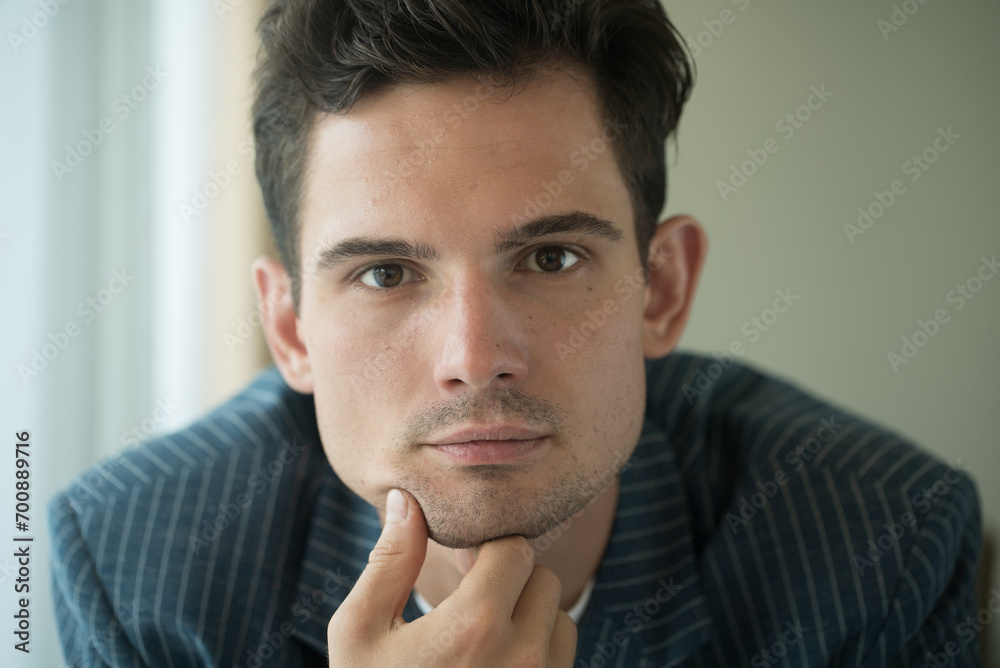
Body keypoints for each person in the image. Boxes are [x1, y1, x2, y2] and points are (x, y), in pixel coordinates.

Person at [49, 0, 983, 666]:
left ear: (661, 289)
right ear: (289, 328)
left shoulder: (882, 544)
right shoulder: (140, 570)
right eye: (384, 274)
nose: (472, 357)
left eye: (549, 260)